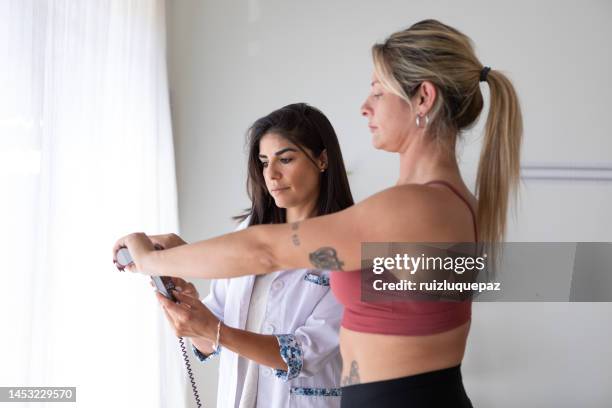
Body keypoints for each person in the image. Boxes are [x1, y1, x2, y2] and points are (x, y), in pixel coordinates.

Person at [114, 19, 522, 407]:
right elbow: (262, 254)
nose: (365, 107)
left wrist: (151, 259)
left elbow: (265, 251)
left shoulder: (416, 205)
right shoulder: (440, 201)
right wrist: (185, 270)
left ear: (423, 98)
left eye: (378, 91)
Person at [140, 103, 354, 407]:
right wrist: (191, 311)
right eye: (264, 162)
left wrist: (216, 331)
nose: (272, 174)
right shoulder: (247, 234)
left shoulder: (348, 243)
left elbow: (303, 354)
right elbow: (208, 342)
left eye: (286, 159)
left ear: (322, 159)